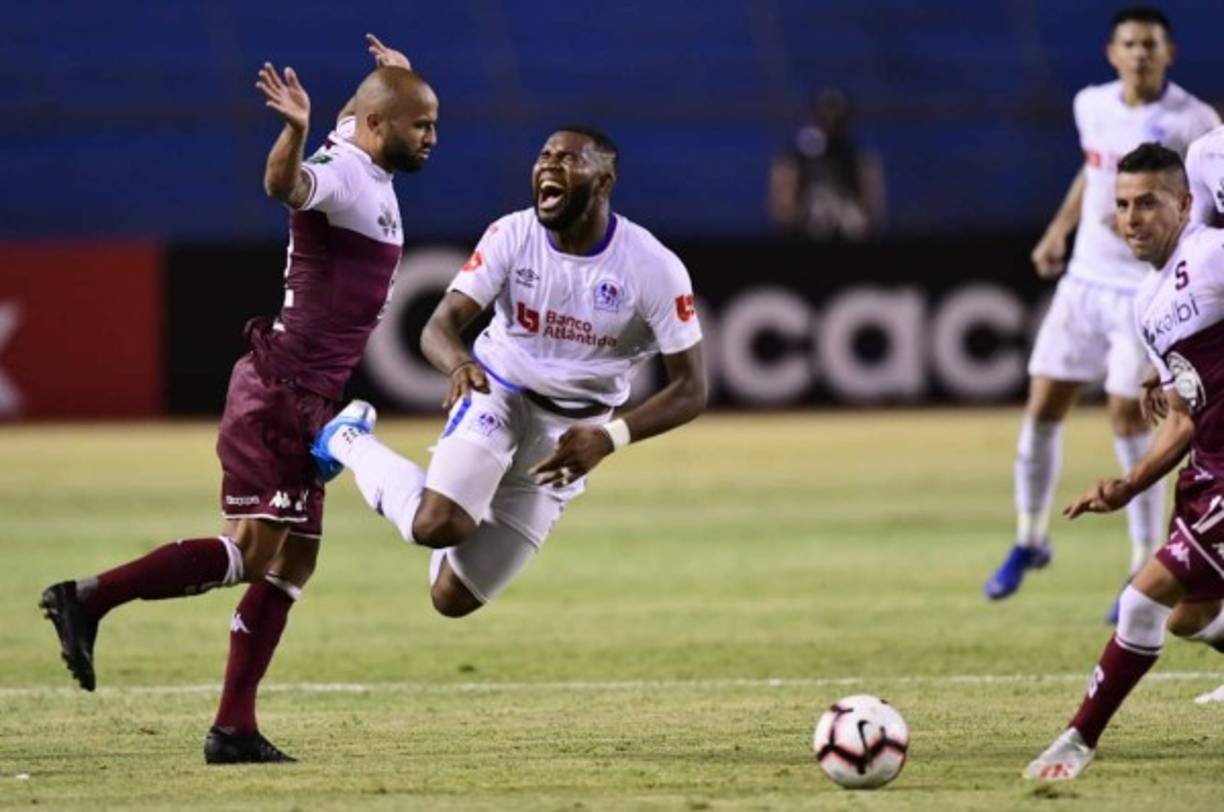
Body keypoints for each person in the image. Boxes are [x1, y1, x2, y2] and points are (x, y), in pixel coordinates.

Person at [37, 35, 437, 764]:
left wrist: (396, 78)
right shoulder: (344, 174)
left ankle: (233, 729)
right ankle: (89, 598)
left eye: (434, 124)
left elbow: (362, 110)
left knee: (295, 562)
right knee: (253, 552)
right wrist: (293, 132)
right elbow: (285, 186)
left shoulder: (363, 140)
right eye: (422, 125)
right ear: (379, 127)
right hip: (282, 392)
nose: (432, 137)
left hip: (312, 396)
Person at [311, 126, 707, 620]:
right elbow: (438, 327)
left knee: (451, 598)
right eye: (545, 154)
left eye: (569, 158)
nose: (550, 164)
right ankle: (348, 439)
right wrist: (459, 363)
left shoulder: (652, 267)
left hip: (569, 439)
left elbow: (692, 388)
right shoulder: (513, 234)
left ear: (604, 182)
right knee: (436, 525)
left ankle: (465, 493)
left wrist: (609, 439)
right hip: (498, 395)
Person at [984, 7, 1220, 611]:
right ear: (1112, 53)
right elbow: (1091, 174)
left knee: (1127, 414)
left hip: (1143, 289)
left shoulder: (1195, 120)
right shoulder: (1090, 105)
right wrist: (1058, 231)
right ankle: (1029, 538)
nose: (1139, 54)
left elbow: (1207, 203)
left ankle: (1141, 559)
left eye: (1150, 44)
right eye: (1130, 44)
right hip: (1083, 279)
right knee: (1043, 402)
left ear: (1168, 54)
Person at [1025, 143, 1224, 780]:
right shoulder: (1147, 305)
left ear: (1186, 204)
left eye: (1147, 203)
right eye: (1122, 205)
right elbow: (1184, 417)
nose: (1131, 218)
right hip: (1208, 466)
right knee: (1192, 616)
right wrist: (1129, 485)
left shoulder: (1214, 255)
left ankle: (1077, 740)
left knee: (1140, 602)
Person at [767, 89, 886, 241]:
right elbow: (782, 209)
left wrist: (850, 216)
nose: (830, 125)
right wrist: (804, 216)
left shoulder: (858, 157)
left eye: (837, 120)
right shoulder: (793, 157)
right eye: (824, 119)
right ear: (814, 118)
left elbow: (873, 208)